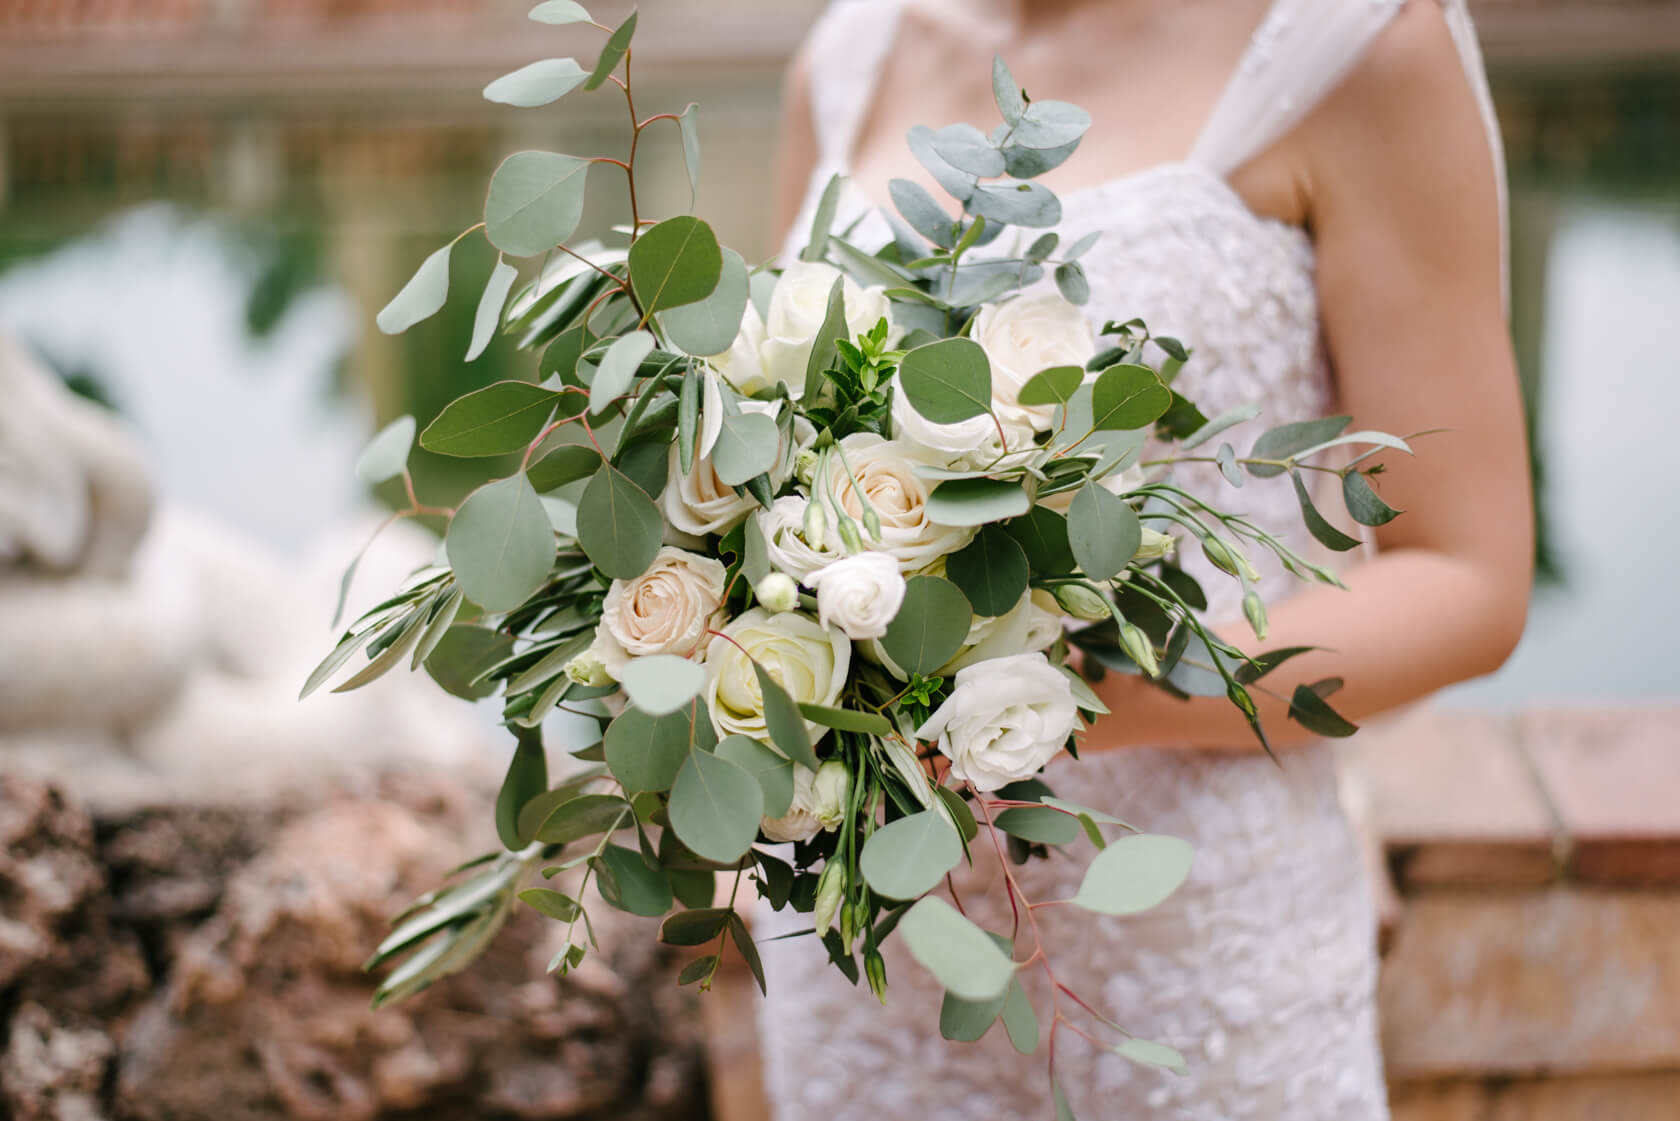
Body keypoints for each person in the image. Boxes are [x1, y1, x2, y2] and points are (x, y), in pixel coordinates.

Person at [755, 0, 1533, 1118]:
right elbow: (776, 447)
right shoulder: (848, 54)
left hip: (1199, 967)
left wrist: (1049, 686)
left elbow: (1467, 579)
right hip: (874, 982)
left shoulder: (1358, 42)